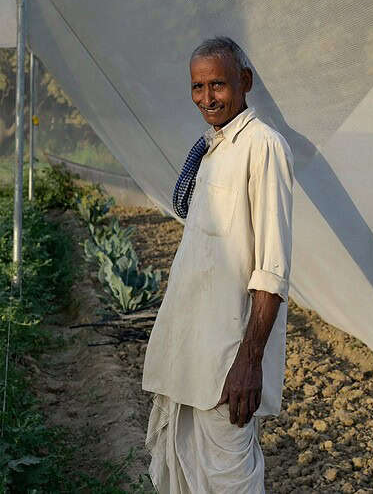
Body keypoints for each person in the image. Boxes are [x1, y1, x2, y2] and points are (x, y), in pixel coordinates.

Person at [142, 36, 294, 493]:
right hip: (189, 353)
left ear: (244, 82)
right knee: (185, 475)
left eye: (218, 85)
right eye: (197, 87)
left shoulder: (262, 147)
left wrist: (248, 362)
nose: (207, 98)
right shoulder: (214, 147)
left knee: (231, 480)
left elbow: (272, 270)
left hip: (225, 364)